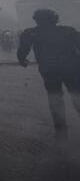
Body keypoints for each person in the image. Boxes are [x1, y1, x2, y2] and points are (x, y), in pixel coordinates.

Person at [17, 9, 80, 137]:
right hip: (71, 67)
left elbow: (24, 48)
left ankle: (60, 125)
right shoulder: (68, 31)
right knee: (76, 93)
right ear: (54, 18)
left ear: (36, 19)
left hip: (49, 69)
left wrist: (22, 59)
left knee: (54, 96)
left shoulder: (32, 33)